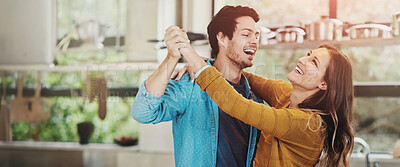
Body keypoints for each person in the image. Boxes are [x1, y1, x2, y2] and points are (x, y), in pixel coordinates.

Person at [174, 42, 355, 166]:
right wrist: (208, 63)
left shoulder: (307, 125)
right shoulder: (288, 96)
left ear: (324, 84)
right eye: (309, 54)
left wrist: (191, 56)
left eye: (313, 62)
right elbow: (250, 79)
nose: (302, 60)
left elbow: (235, 104)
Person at [131, 5, 264, 167]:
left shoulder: (255, 97)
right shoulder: (191, 83)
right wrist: (172, 57)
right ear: (222, 38)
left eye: (257, 35)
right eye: (246, 34)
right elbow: (143, 112)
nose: (254, 41)